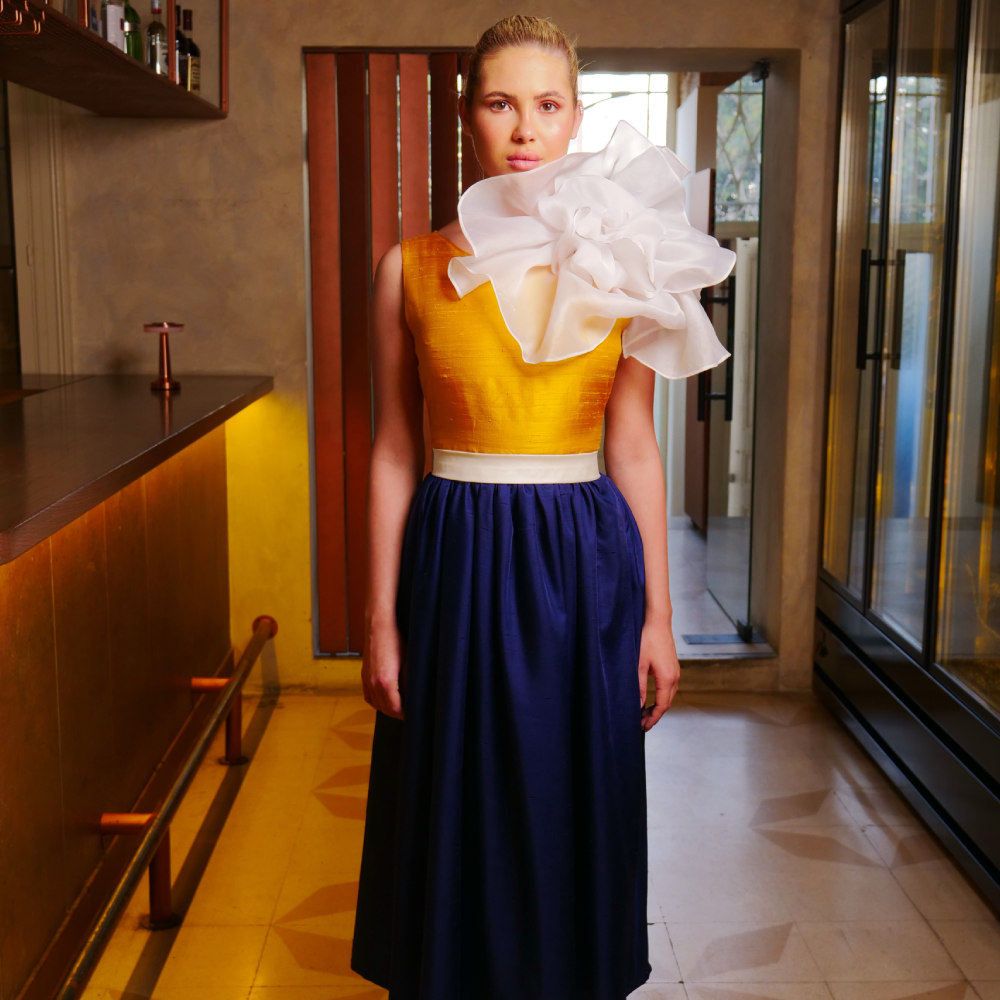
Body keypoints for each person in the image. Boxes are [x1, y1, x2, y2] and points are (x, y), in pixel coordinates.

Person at [351, 15, 734, 999]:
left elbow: (635, 447)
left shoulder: (624, 267)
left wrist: (658, 614)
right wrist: (379, 614)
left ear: (575, 119)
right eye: (500, 103)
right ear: (466, 114)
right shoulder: (409, 269)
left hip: (579, 558)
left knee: (573, 796)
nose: (525, 128)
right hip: (453, 557)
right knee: (453, 799)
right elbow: (394, 448)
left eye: (548, 105)